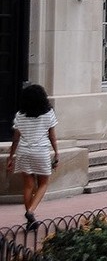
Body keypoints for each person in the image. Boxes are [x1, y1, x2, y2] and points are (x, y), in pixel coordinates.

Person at [6, 85, 59, 231]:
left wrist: (11, 157)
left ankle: (31, 221)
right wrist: (57, 153)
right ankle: (30, 212)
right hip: (41, 151)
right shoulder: (48, 114)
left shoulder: (20, 115)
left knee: (28, 185)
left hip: (24, 151)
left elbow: (15, 139)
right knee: (43, 183)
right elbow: (52, 137)